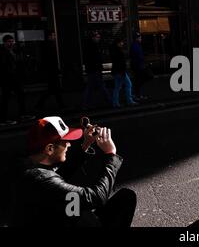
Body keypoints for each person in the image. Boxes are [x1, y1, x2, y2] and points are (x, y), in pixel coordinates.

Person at [8, 116, 136, 227]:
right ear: (50, 148)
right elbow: (96, 197)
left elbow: (58, 176)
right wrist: (110, 155)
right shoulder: (40, 179)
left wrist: (86, 144)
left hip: (47, 216)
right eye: (65, 142)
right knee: (126, 197)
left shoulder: (28, 165)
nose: (69, 144)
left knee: (79, 208)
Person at [0, 34, 35, 126]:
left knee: (21, 95)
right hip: (7, 79)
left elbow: (18, 62)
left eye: (12, 41)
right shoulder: (2, 52)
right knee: (5, 99)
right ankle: (3, 120)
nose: (11, 43)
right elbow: (4, 66)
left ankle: (23, 115)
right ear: (4, 43)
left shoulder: (13, 51)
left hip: (15, 78)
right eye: (9, 42)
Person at [35, 31, 66, 113]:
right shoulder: (50, 45)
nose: (54, 37)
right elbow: (51, 60)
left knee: (53, 89)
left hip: (51, 71)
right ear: (49, 37)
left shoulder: (48, 45)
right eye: (53, 35)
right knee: (53, 89)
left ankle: (60, 104)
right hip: (52, 71)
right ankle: (60, 104)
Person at [82, 31, 111, 109]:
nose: (99, 38)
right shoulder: (93, 46)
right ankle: (108, 101)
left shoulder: (91, 46)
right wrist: (99, 66)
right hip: (94, 69)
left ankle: (87, 104)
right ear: (93, 37)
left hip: (93, 69)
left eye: (99, 37)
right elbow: (95, 59)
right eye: (97, 37)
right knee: (100, 86)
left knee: (91, 87)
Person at [110, 37, 138, 108]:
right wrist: (123, 71)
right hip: (121, 72)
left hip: (116, 71)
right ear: (118, 43)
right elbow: (121, 63)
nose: (122, 43)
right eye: (121, 42)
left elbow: (116, 62)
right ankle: (129, 100)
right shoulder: (119, 51)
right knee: (129, 84)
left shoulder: (114, 50)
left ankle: (115, 103)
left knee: (117, 87)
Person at [130, 32, 152, 101]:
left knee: (139, 80)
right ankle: (138, 95)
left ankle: (138, 95)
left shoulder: (136, 46)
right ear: (137, 39)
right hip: (138, 67)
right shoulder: (136, 46)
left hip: (138, 66)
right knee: (142, 79)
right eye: (139, 38)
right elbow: (138, 57)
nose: (141, 39)